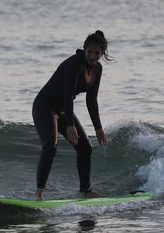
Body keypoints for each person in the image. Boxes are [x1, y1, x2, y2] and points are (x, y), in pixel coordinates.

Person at [32, 30, 111, 201]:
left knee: (85, 148)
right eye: (89, 52)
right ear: (84, 49)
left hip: (62, 109)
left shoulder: (97, 69)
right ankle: (39, 193)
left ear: (102, 53)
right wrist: (70, 124)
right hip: (44, 107)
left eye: (97, 53)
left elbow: (92, 100)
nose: (92, 56)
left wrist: (98, 128)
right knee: (50, 146)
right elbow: (68, 95)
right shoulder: (74, 64)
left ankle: (86, 191)